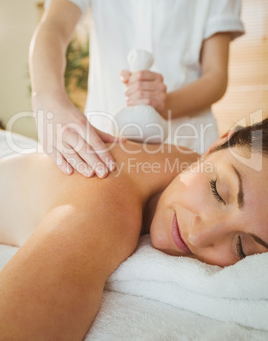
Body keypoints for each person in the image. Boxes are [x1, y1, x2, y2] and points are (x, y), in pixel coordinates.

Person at [0, 118, 267, 339]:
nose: (198, 236)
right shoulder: (104, 207)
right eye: (217, 192)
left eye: (241, 248)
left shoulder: (198, 163)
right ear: (218, 143)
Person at [29, 0, 245, 178]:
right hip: (106, 151)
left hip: (187, 147)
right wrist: (48, 99)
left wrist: (163, 102)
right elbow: (54, 26)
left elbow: (216, 76)